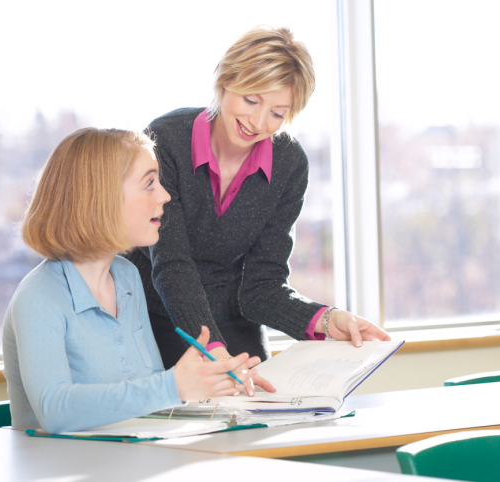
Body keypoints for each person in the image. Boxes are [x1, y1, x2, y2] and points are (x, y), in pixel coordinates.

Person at [127, 26, 390, 389]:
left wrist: (328, 320)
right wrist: (213, 352)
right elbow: (171, 265)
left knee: (262, 414)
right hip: (158, 315)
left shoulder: (289, 163)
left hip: (235, 320)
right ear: (225, 82)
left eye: (277, 113)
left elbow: (262, 286)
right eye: (251, 100)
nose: (258, 122)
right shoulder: (166, 139)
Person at [2, 128, 260, 434]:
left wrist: (214, 382)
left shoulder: (126, 276)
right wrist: (173, 385)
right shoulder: (39, 296)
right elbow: (55, 411)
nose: (165, 195)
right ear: (102, 198)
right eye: (149, 184)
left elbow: (148, 387)